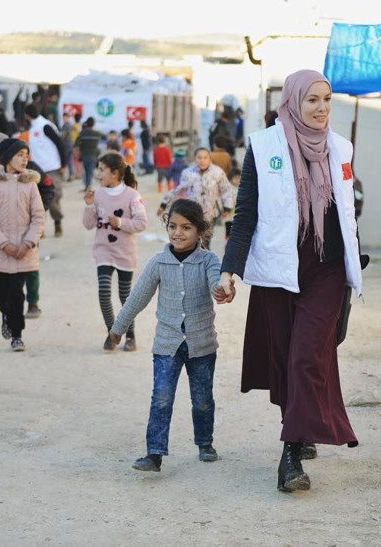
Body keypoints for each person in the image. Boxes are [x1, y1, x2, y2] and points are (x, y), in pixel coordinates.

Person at [217, 69, 365, 493]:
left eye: (327, 99)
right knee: (284, 361)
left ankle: (289, 459)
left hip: (325, 269)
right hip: (279, 270)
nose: (321, 109)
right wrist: (230, 271)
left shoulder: (340, 148)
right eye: (312, 100)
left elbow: (346, 217)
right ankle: (299, 428)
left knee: (304, 356)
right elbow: (245, 215)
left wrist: (354, 272)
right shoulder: (263, 148)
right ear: (293, 103)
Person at [109, 199, 227, 472]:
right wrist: (118, 327)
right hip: (166, 344)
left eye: (186, 227)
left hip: (202, 344)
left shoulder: (209, 260)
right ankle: (154, 453)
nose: (178, 233)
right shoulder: (159, 262)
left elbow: (215, 282)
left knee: (202, 399)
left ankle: (205, 442)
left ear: (200, 231)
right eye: (173, 226)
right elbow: (137, 297)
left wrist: (221, 290)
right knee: (161, 397)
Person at [0, 133, 50, 321]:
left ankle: (32, 303)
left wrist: (35, 216)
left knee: (29, 271)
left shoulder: (30, 172)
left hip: (28, 233)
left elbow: (48, 189)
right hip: (1, 239)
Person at [82, 151, 148, 352]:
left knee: (125, 296)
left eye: (102, 170)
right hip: (103, 250)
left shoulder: (132, 195)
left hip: (125, 252)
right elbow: (88, 224)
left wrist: (120, 222)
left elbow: (142, 223)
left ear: (115, 172)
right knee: (103, 292)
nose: (99, 174)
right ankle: (112, 333)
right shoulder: (98, 194)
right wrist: (88, 205)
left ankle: (130, 334)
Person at [157, 147, 234, 249]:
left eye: (205, 157)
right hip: (192, 214)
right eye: (199, 158)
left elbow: (226, 190)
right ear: (195, 159)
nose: (202, 160)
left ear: (209, 159)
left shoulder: (218, 172)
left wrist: (227, 207)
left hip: (210, 214)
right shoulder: (188, 173)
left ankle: (204, 262)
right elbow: (178, 189)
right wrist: (164, 204)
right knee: (194, 242)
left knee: (205, 242)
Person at [24, 104, 66, 237]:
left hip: (51, 168)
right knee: (37, 200)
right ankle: (39, 229)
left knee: (53, 198)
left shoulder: (45, 126)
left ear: (27, 116)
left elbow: (59, 143)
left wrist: (63, 163)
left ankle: (57, 222)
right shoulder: (32, 128)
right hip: (37, 169)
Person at [74, 116, 103, 191]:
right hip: (93, 155)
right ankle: (88, 186)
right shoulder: (96, 133)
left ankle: (87, 186)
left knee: (86, 171)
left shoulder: (83, 133)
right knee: (90, 171)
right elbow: (104, 137)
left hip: (84, 155)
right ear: (93, 124)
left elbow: (76, 143)